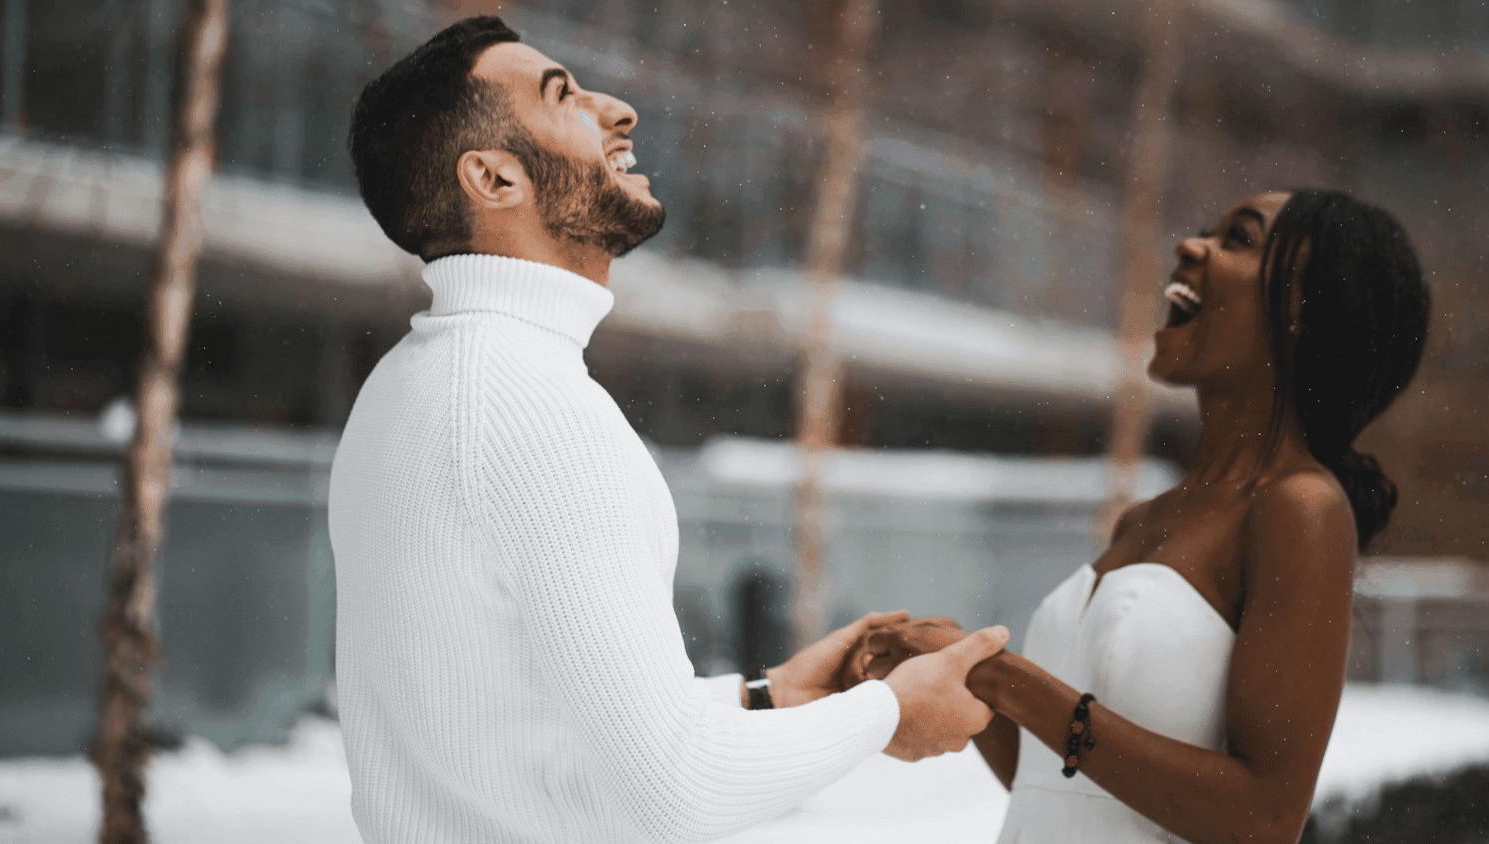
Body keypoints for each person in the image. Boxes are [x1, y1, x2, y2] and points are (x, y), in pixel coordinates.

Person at [329, 16, 1007, 844]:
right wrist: (890, 712)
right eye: (563, 95)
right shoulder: (533, 410)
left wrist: (769, 698)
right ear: (496, 179)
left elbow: (525, 729)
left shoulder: (412, 383)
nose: (617, 109)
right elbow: (676, 790)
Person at [859, 189, 1431, 843]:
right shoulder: (1144, 520)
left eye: (1239, 239)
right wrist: (962, 669)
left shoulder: (1300, 508)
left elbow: (1264, 818)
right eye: (1205, 232)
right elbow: (1058, 780)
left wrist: (1005, 678)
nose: (1191, 247)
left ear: (1307, 311)